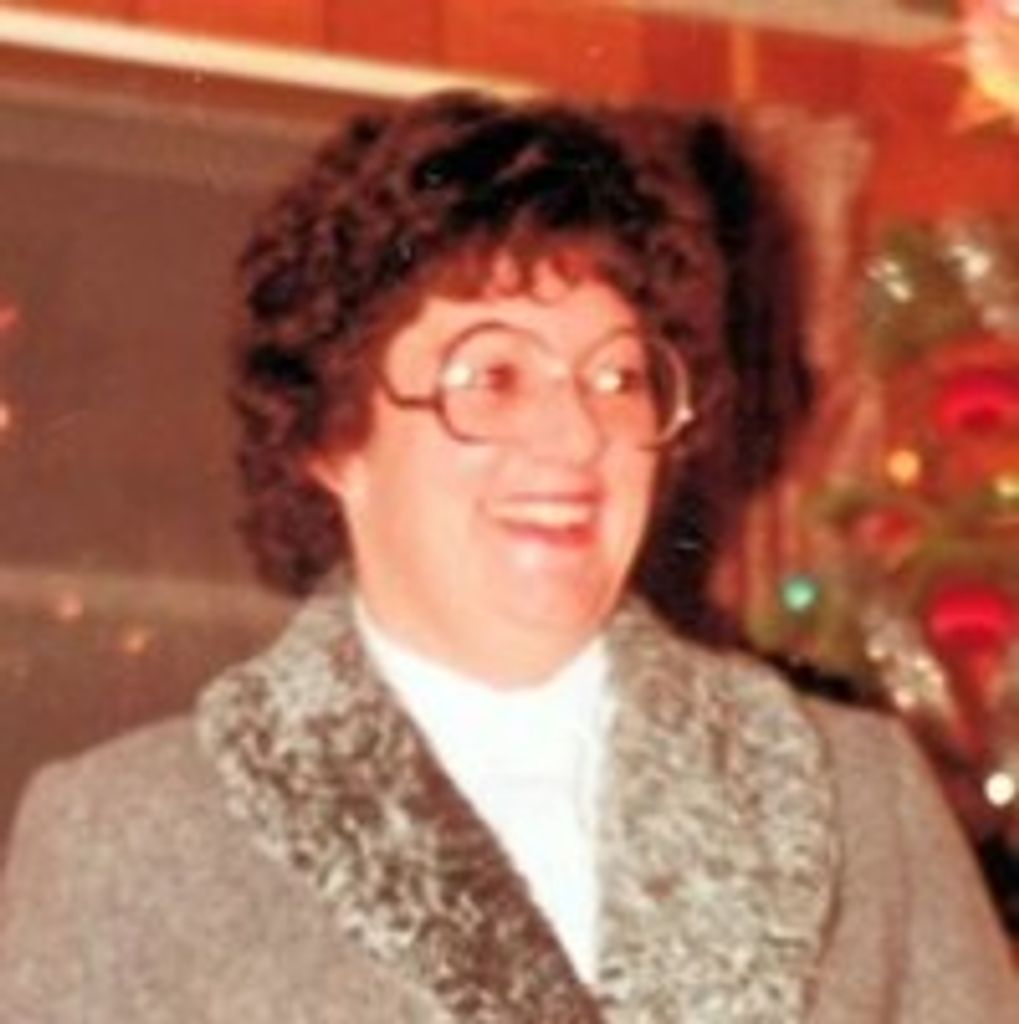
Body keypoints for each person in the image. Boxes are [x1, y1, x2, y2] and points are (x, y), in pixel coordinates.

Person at [1, 91, 1015, 1023]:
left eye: (617, 378)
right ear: (332, 439)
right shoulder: (124, 839)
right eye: (490, 378)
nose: (575, 438)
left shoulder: (860, 798)